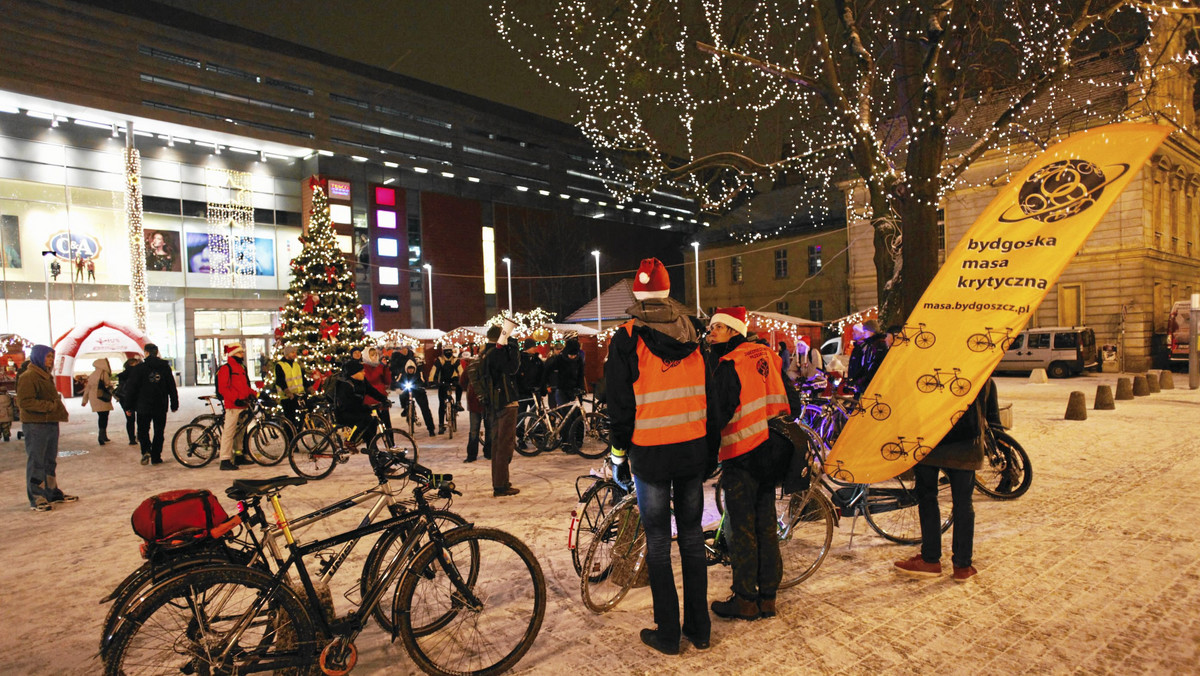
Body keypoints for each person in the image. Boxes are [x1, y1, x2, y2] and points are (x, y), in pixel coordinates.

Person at [605, 257, 710, 655]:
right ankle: (699, 629)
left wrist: (618, 454)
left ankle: (668, 634)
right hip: (691, 449)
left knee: (659, 544)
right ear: (668, 291)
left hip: (649, 455)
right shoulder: (694, 333)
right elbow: (709, 396)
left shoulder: (627, 337)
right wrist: (709, 449)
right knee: (693, 539)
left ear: (638, 292)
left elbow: (619, 405)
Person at [706, 306, 793, 622]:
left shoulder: (730, 364)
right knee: (766, 525)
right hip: (771, 455)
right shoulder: (767, 355)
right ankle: (768, 598)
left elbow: (719, 415)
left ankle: (745, 599)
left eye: (717, 327)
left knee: (742, 529)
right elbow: (791, 402)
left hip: (742, 455)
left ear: (733, 331)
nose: (711, 332)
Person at [894, 378, 999, 583]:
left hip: (930, 441)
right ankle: (963, 565)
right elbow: (989, 404)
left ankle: (930, 559)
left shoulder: (932, 361)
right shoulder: (978, 361)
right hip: (967, 443)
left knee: (928, 497)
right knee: (963, 503)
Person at [16, 344, 75, 511]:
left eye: (51, 357)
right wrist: (50, 406)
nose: (50, 360)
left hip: (49, 422)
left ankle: (52, 491)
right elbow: (25, 402)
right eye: (48, 357)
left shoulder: (45, 375)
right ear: (38, 357)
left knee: (50, 460)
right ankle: (37, 496)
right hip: (36, 425)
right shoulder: (29, 376)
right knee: (37, 461)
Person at [482, 323, 521, 497]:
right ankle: (501, 484)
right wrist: (513, 349)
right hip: (505, 402)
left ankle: (500, 481)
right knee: (504, 445)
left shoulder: (485, 352)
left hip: (495, 403)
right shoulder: (496, 353)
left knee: (498, 444)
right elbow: (512, 368)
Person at [124, 343, 179, 466]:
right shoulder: (165, 367)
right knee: (159, 431)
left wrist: (129, 406)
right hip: (160, 404)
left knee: (143, 430)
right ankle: (156, 456)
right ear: (157, 352)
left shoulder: (139, 368)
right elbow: (171, 386)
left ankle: (146, 450)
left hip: (143, 405)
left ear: (146, 353)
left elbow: (132, 389)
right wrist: (174, 403)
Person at [214, 343, 254, 471]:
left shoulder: (240, 368)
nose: (242, 354)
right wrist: (235, 399)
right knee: (229, 432)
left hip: (243, 404)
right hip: (233, 405)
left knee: (240, 431)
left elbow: (245, 387)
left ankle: (239, 454)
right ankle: (224, 459)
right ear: (233, 354)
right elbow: (223, 388)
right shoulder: (226, 368)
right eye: (239, 352)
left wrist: (255, 394)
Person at [331, 359, 388, 443]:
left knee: (372, 423)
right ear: (353, 374)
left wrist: (384, 399)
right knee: (365, 418)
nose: (364, 373)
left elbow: (371, 391)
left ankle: (372, 450)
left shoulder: (362, 381)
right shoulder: (345, 385)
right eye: (361, 372)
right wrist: (365, 407)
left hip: (356, 411)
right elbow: (348, 404)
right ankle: (350, 441)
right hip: (344, 413)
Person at [460, 355, 491, 463]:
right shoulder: (489, 366)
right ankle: (489, 452)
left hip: (474, 401)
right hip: (487, 401)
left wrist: (470, 389)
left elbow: (462, 381)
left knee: (474, 430)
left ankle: (472, 455)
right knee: (489, 428)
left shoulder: (471, 366)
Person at [846, 320, 888, 393]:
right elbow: (865, 365)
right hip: (866, 382)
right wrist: (855, 378)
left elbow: (875, 365)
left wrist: (863, 379)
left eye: (865, 331)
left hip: (873, 383)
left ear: (871, 331)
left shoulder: (879, 345)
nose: (864, 333)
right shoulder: (870, 344)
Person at [79, 357, 114, 446]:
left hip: (94, 398)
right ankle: (101, 436)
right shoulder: (104, 373)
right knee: (104, 416)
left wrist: (85, 400)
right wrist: (116, 395)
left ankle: (103, 435)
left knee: (101, 416)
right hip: (102, 397)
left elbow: (87, 388)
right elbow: (108, 385)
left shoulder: (93, 374)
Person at [397, 361, 437, 435]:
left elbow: (424, 381)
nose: (410, 370)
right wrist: (399, 386)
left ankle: (431, 429)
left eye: (412, 369)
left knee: (425, 409)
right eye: (409, 369)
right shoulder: (402, 374)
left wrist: (420, 386)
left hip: (419, 391)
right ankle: (406, 409)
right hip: (407, 391)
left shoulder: (419, 373)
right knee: (402, 395)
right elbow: (397, 381)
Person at [273, 345, 307, 431]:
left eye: (295, 352)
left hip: (298, 395)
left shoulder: (296, 365)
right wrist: (287, 392)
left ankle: (298, 432)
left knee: (304, 414)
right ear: (287, 354)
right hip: (287, 397)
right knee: (290, 420)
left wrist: (309, 387)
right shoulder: (280, 365)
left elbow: (302, 378)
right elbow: (280, 381)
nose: (295, 354)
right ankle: (290, 440)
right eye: (292, 352)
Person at [429, 347, 461, 434]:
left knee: (459, 386)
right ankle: (441, 425)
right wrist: (432, 380)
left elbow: (460, 370)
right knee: (442, 404)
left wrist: (462, 379)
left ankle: (458, 402)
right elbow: (434, 370)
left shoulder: (455, 360)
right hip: (442, 383)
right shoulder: (440, 360)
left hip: (453, 380)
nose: (448, 353)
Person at [362, 346, 393, 429]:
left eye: (376, 355)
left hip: (381, 399)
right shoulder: (364, 367)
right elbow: (371, 379)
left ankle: (390, 442)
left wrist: (386, 368)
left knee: (387, 425)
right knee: (372, 427)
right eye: (372, 355)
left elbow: (387, 381)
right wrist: (381, 367)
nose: (375, 357)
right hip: (371, 400)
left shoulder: (379, 366)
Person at [114, 355, 141, 446]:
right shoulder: (137, 373)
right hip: (137, 398)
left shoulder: (122, 375)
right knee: (141, 418)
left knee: (130, 419)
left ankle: (132, 439)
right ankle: (140, 436)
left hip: (124, 399)